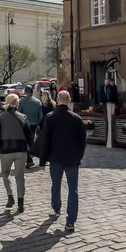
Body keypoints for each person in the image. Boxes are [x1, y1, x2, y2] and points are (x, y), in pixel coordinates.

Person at [39, 90, 87, 232]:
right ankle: (70, 221)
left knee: (56, 183)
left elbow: (44, 140)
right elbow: (82, 141)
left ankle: (56, 207)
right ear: (69, 100)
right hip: (72, 158)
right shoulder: (76, 118)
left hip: (55, 158)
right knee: (73, 189)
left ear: (57, 100)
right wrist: (79, 156)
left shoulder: (50, 117)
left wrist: (42, 160)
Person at [0, 93, 34, 213]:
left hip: (6, 149)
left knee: (5, 173)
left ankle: (10, 196)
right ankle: (21, 204)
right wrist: (32, 152)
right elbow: (30, 137)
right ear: (17, 103)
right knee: (20, 177)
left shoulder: (1, 117)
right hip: (21, 150)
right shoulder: (23, 117)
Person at [18, 85, 43, 168]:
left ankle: (29, 160)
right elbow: (40, 115)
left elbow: (19, 112)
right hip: (34, 124)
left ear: (25, 92)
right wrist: (37, 123)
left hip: (25, 123)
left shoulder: (22, 101)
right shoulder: (38, 101)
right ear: (32, 92)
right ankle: (33, 157)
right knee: (31, 140)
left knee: (26, 142)